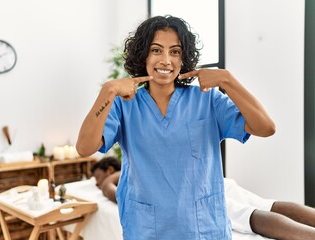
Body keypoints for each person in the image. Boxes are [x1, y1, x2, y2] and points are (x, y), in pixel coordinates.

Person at [76, 15, 275, 240]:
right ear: (143, 55)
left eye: (175, 52)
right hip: (145, 228)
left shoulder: (207, 100)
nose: (166, 60)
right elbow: (84, 147)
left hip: (203, 228)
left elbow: (265, 127)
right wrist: (108, 91)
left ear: (183, 58)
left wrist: (227, 80)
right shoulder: (125, 106)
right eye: (156, 50)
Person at [92, 157, 315, 240]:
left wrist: (107, 180)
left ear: (110, 167)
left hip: (196, 192)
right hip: (214, 181)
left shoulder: (129, 170)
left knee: (251, 217)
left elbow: (111, 191)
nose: (96, 183)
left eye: (97, 177)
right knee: (270, 205)